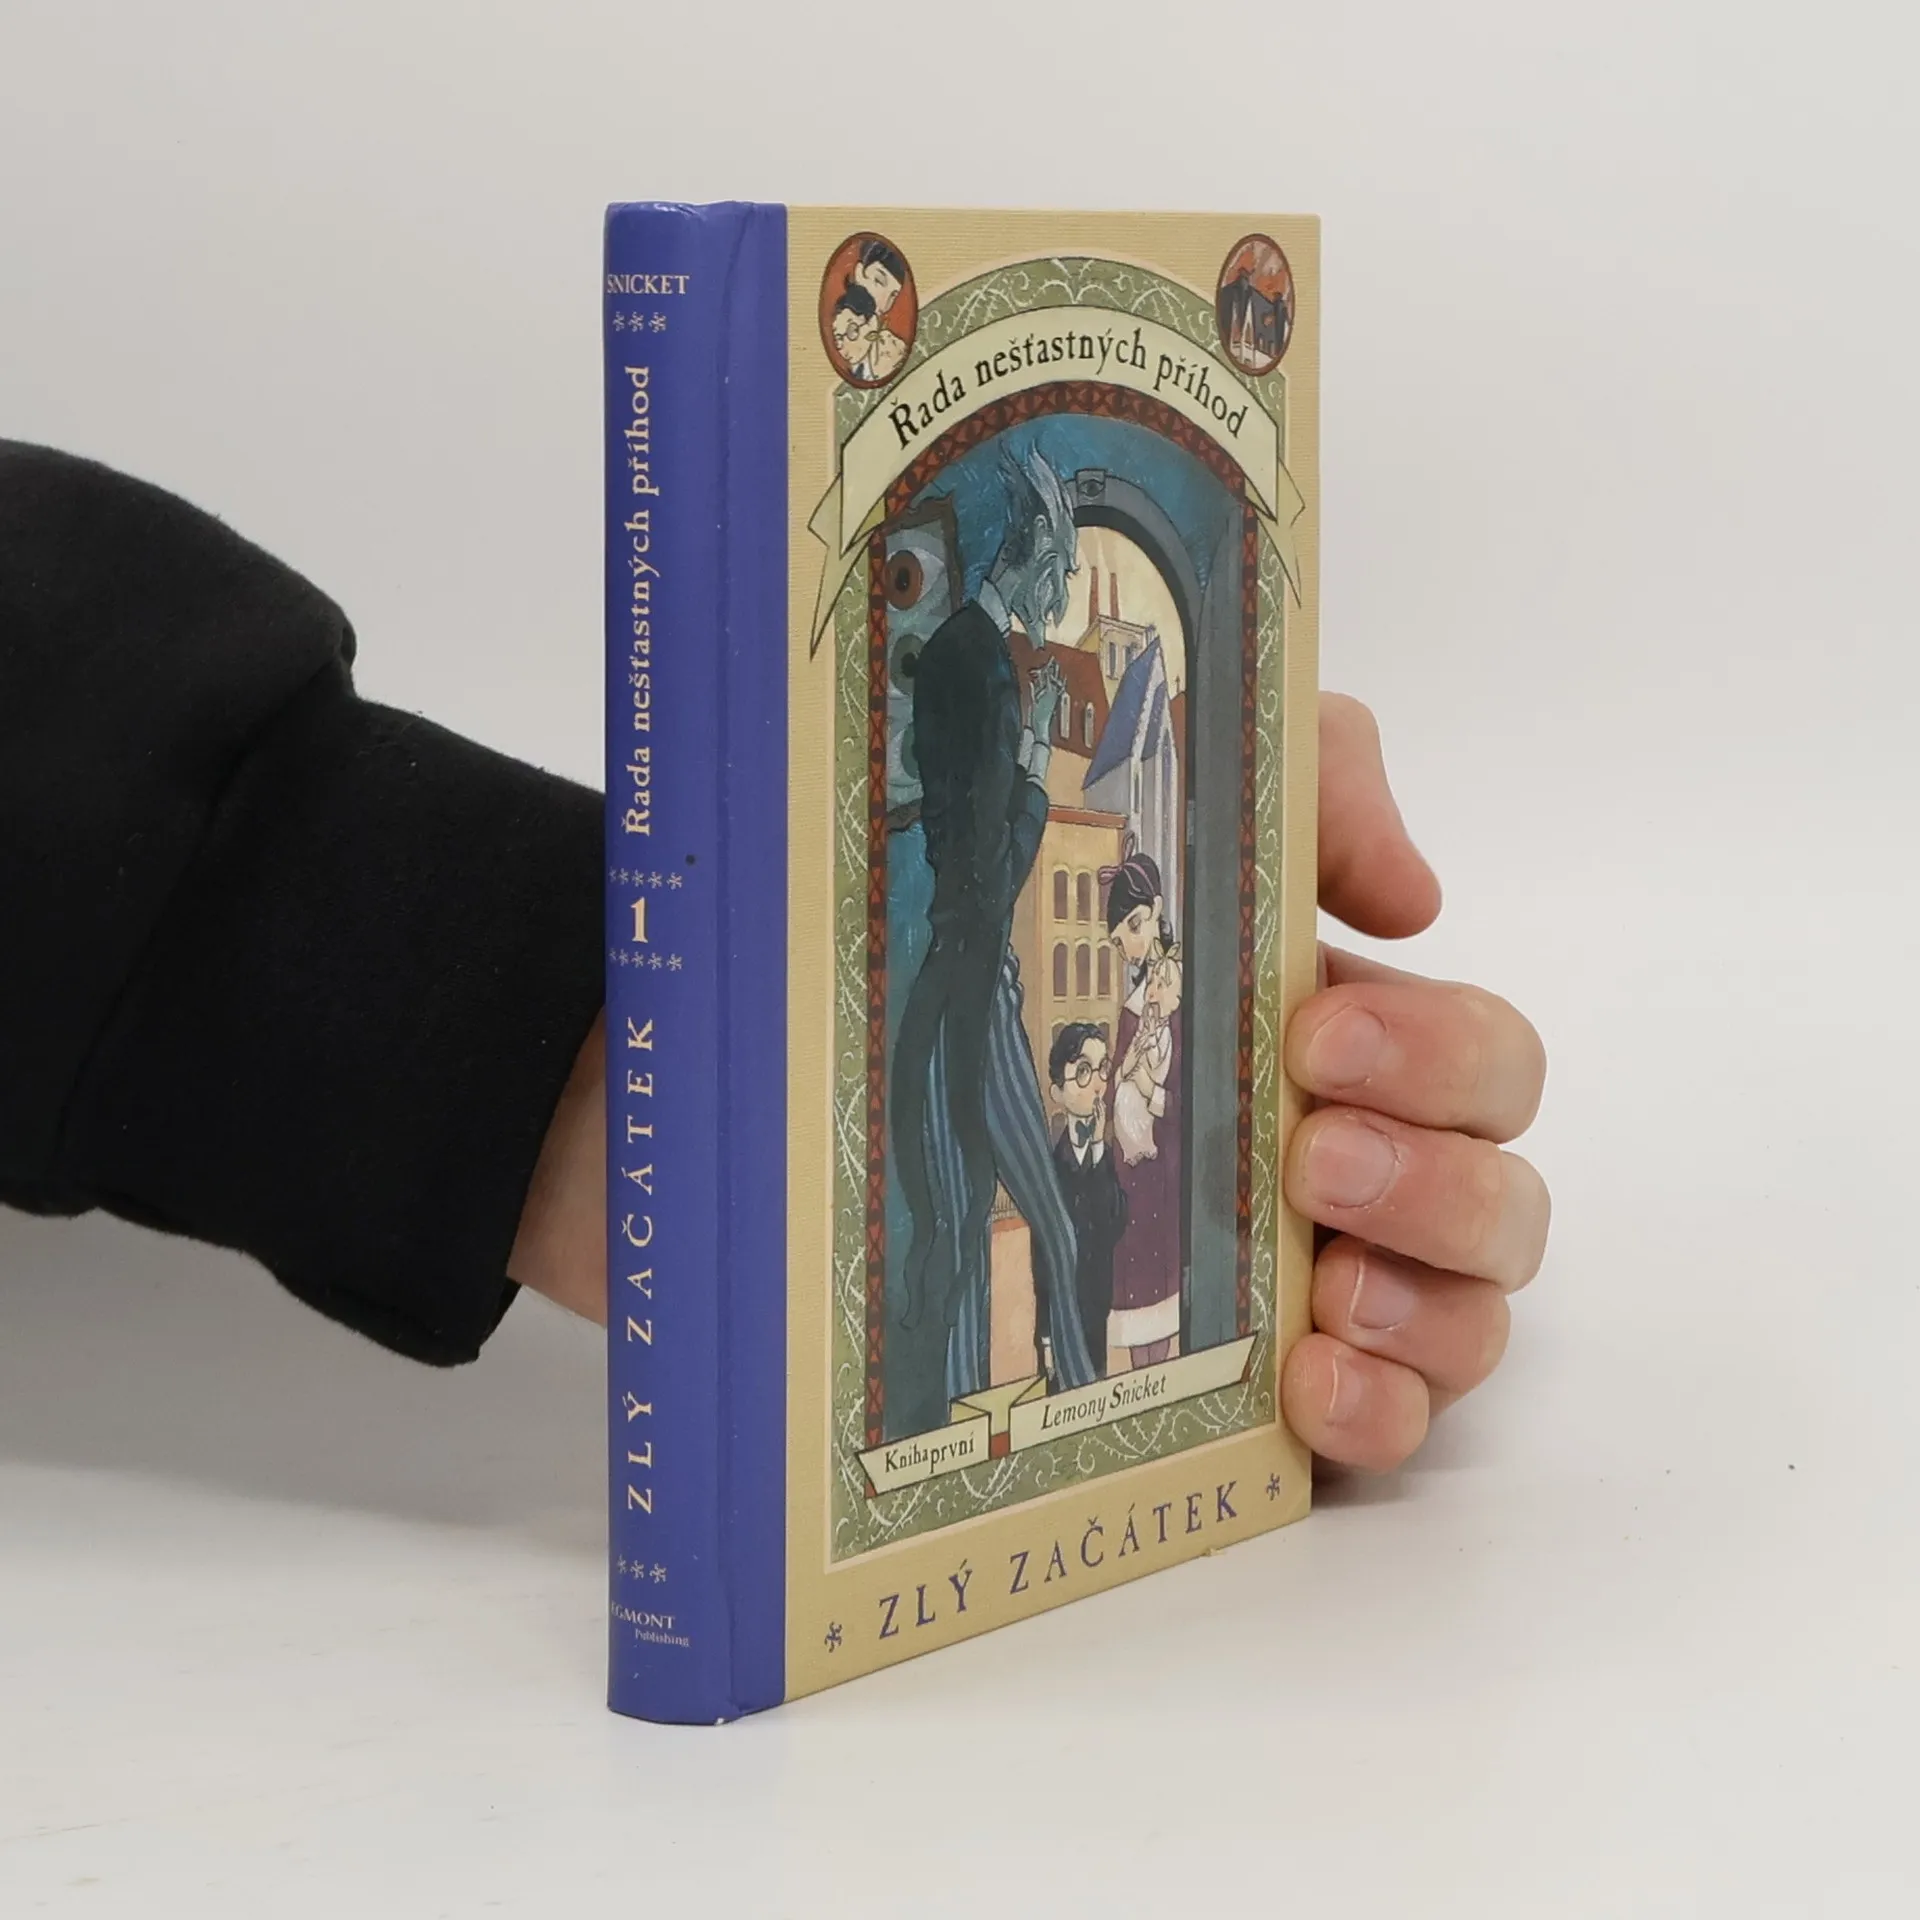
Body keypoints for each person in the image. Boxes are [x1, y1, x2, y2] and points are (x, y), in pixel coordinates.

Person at [0, 438, 1551, 1476]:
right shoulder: (973, 668)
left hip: (962, 991)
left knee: (1013, 1208)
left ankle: (1053, 1404)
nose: (1042, 582)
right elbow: (977, 810)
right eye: (1040, 557)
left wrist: (566, 1024)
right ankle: (1035, 1399)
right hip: (960, 990)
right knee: (1007, 1210)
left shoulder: (995, 665)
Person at [888, 446, 1098, 1401]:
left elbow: (960, 835)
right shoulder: (990, 671)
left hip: (943, 984)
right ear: (1038, 559)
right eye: (1061, 570)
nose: (1060, 592)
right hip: (980, 987)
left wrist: (1024, 752)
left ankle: (953, 1417)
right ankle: (1082, 1395)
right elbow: (997, 871)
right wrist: (1037, 772)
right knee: (1050, 1222)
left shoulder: (949, 651)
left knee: (961, 1229)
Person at [1102, 851, 1185, 1368]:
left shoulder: (1182, 996)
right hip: (1129, 1183)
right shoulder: (1133, 1010)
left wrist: (1149, 1094)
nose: (1130, 947)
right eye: (1119, 941)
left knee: (1166, 1299)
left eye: (1133, 927)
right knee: (1136, 1304)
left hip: (1166, 1175)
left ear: (1155, 911)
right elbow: (1115, 1080)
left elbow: (1190, 1099)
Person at [1047, 1022, 1128, 1379]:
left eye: (1102, 1069)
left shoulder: (1103, 1157)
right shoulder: (1053, 1166)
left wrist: (1097, 1147)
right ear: (1057, 1091)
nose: (1097, 1084)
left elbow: (1114, 1221)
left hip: (1098, 1302)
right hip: (1062, 1310)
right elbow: (1042, 1255)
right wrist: (1044, 1336)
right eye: (1083, 1072)